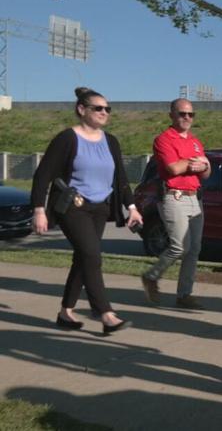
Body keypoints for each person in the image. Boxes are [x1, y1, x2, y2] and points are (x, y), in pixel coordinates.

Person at [31, 87, 143, 335]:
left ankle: (65, 313)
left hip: (100, 208)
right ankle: (105, 313)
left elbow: (121, 178)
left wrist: (132, 207)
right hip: (73, 207)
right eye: (98, 108)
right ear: (82, 109)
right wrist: (39, 209)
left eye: (107, 109)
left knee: (83, 258)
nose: (104, 112)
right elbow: (42, 175)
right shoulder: (67, 138)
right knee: (92, 255)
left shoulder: (110, 141)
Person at [141, 98, 211, 309]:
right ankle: (151, 276)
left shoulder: (195, 141)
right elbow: (173, 168)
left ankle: (184, 295)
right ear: (171, 115)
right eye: (182, 114)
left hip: (195, 197)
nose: (187, 118)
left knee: (194, 249)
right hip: (174, 196)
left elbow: (206, 171)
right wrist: (195, 163)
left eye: (191, 114)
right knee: (180, 246)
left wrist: (203, 165)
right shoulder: (163, 139)